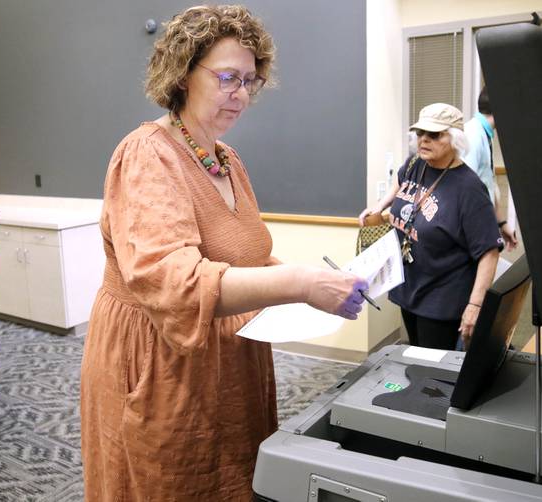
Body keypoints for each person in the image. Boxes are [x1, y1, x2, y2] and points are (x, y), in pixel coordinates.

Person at [79, 5, 367, 501]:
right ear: (183, 73)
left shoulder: (227, 159)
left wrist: (312, 279)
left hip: (230, 361)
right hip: (163, 364)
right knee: (170, 480)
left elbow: (247, 257)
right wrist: (299, 283)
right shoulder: (148, 154)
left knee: (230, 477)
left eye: (250, 82)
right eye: (228, 78)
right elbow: (176, 283)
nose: (241, 95)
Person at [360, 103, 503, 350]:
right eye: (420, 134)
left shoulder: (468, 189)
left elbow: (489, 251)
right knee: (415, 352)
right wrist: (381, 206)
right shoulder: (416, 163)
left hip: (442, 297)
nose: (424, 140)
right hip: (411, 287)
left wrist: (475, 305)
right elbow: (400, 181)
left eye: (434, 135)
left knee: (432, 370)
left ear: (455, 139)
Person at [462, 87, 517, 249]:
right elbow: (466, 189)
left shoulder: (484, 134)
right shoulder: (473, 134)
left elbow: (488, 186)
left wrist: (501, 223)